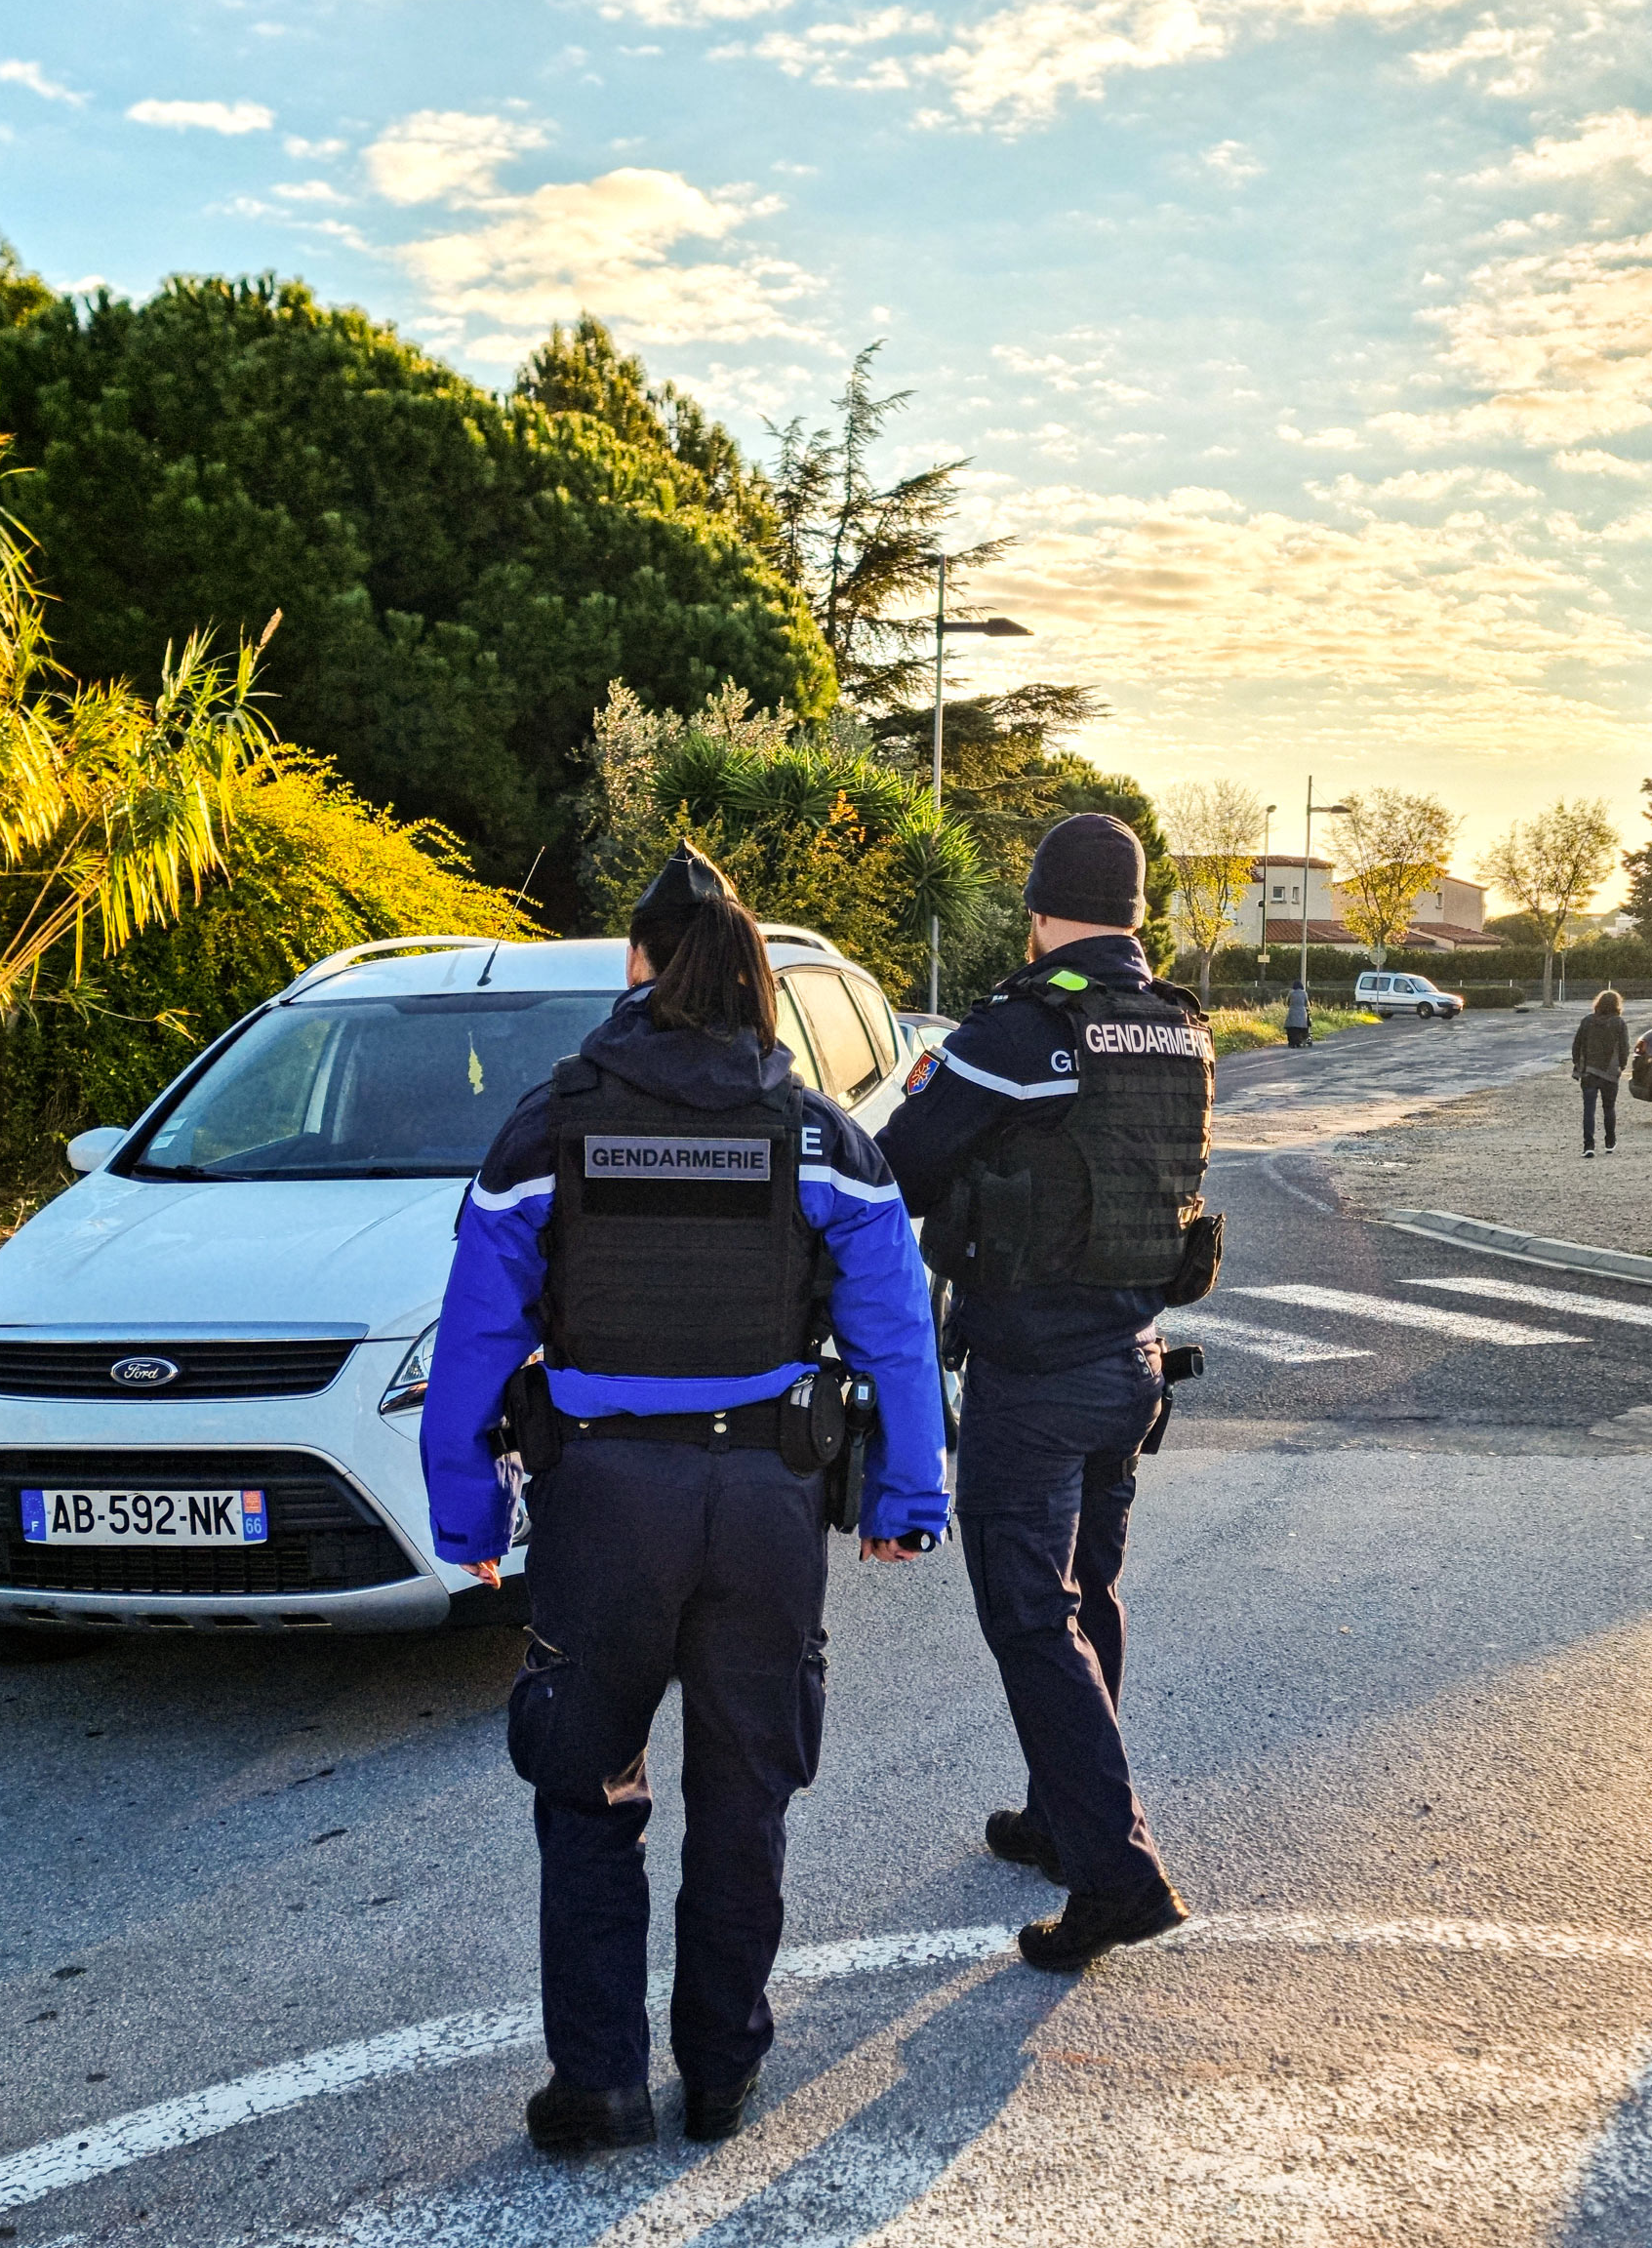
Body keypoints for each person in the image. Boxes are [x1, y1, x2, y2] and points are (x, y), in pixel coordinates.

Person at [420, 846, 948, 2155]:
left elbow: (473, 1346)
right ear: (756, 978)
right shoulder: (821, 1136)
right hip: (768, 1507)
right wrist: (907, 1498)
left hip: (605, 1509)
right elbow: (898, 1336)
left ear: (636, 968)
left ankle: (598, 2085)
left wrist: (467, 1524)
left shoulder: (549, 1128)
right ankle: (721, 2076)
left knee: (589, 1788)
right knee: (745, 1794)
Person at [878, 813, 1215, 1972]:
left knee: (1030, 1614)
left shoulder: (1018, 1031)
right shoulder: (1181, 1031)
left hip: (1036, 1374)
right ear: (1134, 913)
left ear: (1036, 909)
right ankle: (1058, 1816)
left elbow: (898, 1165)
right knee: (1090, 1595)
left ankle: (1115, 1872)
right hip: (1133, 1366)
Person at [1571, 988, 1630, 1156]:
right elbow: (1624, 1048)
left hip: (1589, 1071)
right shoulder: (1619, 1023)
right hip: (1610, 1072)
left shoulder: (1587, 1021)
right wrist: (1622, 1066)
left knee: (1588, 1109)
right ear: (1617, 1005)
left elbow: (1577, 1045)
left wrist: (1578, 1063)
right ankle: (1610, 1142)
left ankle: (1588, 1146)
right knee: (1609, 1108)